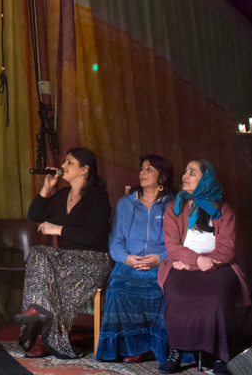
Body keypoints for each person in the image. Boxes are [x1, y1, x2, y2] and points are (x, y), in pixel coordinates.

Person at [15, 147, 112, 359]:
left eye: (69, 162)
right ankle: (39, 313)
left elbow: (92, 236)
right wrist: (46, 188)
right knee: (38, 253)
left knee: (49, 271)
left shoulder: (97, 197)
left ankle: (43, 334)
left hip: (93, 261)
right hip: (66, 260)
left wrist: (57, 229)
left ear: (84, 169)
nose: (62, 166)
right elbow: (34, 214)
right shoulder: (62, 195)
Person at [156, 160, 249, 375]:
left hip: (218, 266)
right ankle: (176, 352)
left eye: (192, 172)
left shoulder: (224, 210)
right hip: (182, 264)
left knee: (216, 298)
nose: (184, 176)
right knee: (177, 295)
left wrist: (195, 264)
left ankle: (221, 356)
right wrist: (195, 261)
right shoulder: (174, 208)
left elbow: (226, 250)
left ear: (206, 180)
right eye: (185, 171)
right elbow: (172, 247)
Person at [96, 154, 177, 363]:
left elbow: (181, 243)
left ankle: (155, 346)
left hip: (161, 262)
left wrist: (159, 259)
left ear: (163, 177)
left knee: (162, 289)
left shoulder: (174, 205)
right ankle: (131, 347)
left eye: (149, 169)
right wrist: (127, 259)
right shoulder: (125, 204)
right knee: (117, 288)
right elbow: (115, 240)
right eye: (142, 168)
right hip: (130, 262)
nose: (142, 172)